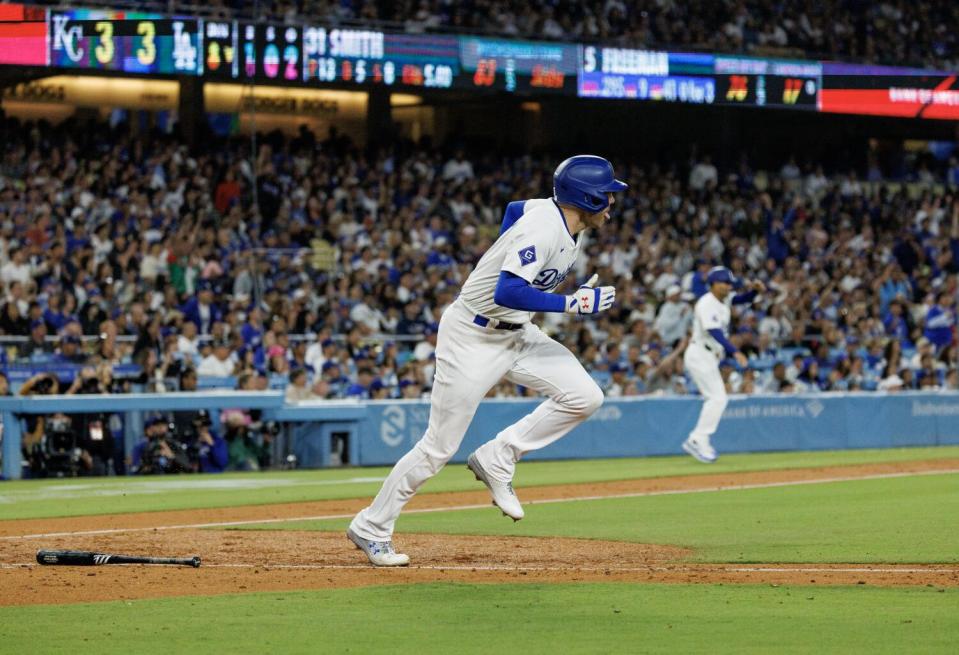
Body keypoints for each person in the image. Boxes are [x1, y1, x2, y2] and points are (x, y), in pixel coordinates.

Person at [347, 155, 627, 566]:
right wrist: (571, 303)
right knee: (437, 448)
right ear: (585, 197)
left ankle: (500, 455)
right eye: (606, 195)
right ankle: (371, 526)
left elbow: (515, 209)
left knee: (585, 396)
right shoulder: (545, 227)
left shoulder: (552, 216)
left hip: (517, 333)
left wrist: (501, 247)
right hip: (471, 337)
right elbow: (507, 291)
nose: (612, 203)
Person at [681, 267, 763, 463]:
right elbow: (715, 331)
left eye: (729, 283)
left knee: (717, 398)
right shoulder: (706, 303)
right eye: (724, 283)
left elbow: (743, 299)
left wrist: (755, 291)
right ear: (713, 284)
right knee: (718, 398)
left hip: (708, 355)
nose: (728, 286)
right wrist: (735, 351)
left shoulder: (723, 299)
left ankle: (700, 438)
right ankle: (698, 438)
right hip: (700, 352)